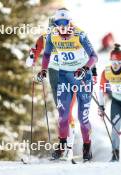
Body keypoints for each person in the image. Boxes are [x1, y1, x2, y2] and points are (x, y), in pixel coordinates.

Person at [39, 8, 98, 161]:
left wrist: (85, 69)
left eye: (65, 23)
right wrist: (43, 70)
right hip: (64, 75)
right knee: (63, 116)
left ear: (70, 22)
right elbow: (46, 54)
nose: (62, 26)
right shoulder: (53, 36)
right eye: (59, 23)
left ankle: (87, 146)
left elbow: (94, 56)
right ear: (56, 23)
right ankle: (62, 145)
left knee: (82, 118)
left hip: (82, 78)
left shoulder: (80, 35)